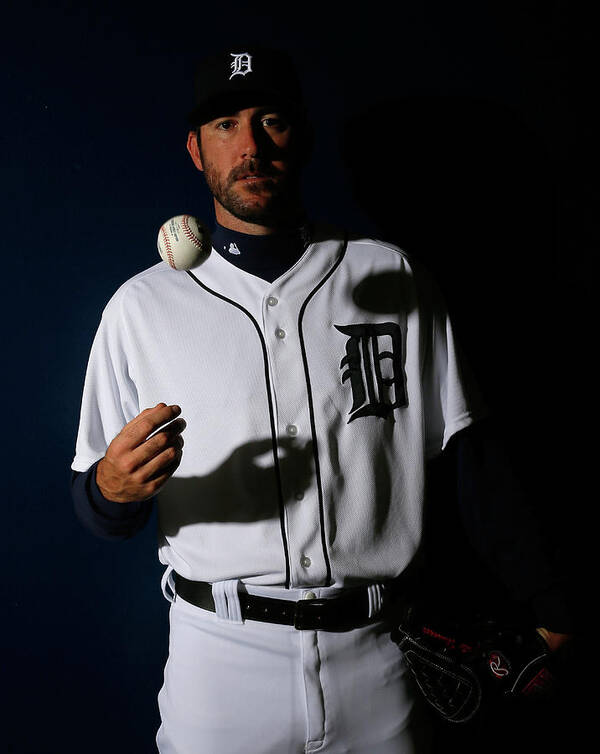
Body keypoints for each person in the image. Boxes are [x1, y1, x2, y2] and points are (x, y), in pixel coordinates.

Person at [71, 46, 572, 753]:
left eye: (271, 119)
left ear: (300, 133)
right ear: (195, 149)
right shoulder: (141, 307)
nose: (249, 145)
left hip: (382, 660)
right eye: (225, 124)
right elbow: (97, 504)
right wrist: (112, 489)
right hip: (220, 666)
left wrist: (554, 607)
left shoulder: (390, 273)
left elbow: (470, 455)